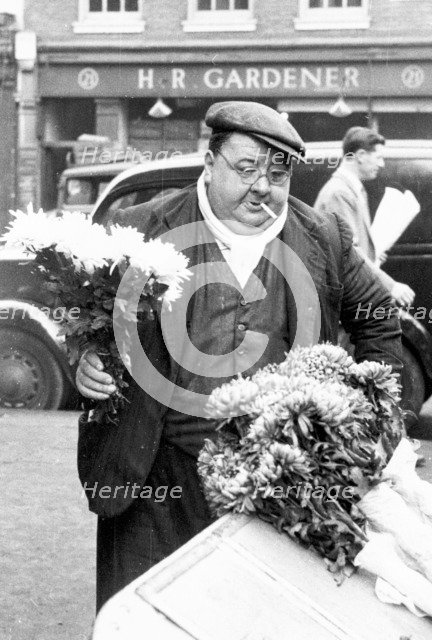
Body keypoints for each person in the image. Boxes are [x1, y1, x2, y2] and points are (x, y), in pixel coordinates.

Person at [75, 102, 402, 611]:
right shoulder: (139, 227)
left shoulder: (323, 237)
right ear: (210, 163)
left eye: (278, 173)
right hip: (155, 474)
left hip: (272, 484)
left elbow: (378, 316)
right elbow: (90, 315)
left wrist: (365, 411)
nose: (262, 187)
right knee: (143, 620)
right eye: (246, 168)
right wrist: (87, 361)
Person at [314, 127, 415, 308]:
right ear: (360, 155)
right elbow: (349, 252)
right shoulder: (339, 193)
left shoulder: (350, 190)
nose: (382, 164)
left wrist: (372, 254)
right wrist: (390, 286)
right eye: (378, 157)